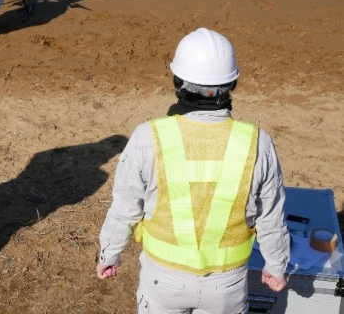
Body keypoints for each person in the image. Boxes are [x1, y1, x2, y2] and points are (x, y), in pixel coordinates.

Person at [96, 28, 290, 314]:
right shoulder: (256, 141)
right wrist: (275, 265)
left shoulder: (148, 136)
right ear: (232, 84)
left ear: (178, 81)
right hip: (227, 285)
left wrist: (109, 254)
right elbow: (271, 215)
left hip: (164, 280)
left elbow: (125, 207)